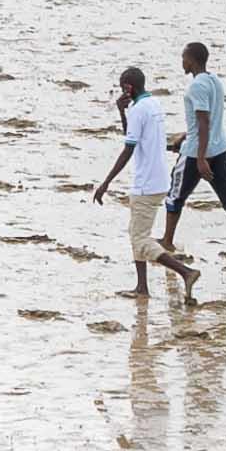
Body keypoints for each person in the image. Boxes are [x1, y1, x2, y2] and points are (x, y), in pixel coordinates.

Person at [86, 61, 197, 293]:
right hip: (159, 180)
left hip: (146, 183)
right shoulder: (153, 103)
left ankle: (185, 271)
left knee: (139, 239)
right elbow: (133, 134)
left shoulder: (138, 110)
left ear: (128, 88)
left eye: (122, 88)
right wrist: (121, 111)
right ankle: (142, 286)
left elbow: (128, 147)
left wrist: (106, 182)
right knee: (137, 233)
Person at [156, 38, 226, 267]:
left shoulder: (196, 86)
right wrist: (185, 135)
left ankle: (167, 240)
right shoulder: (214, 81)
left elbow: (204, 121)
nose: (182, 61)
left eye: (184, 58)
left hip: (197, 153)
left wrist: (199, 158)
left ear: (192, 60)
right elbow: (208, 119)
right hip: (220, 148)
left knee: (175, 194)